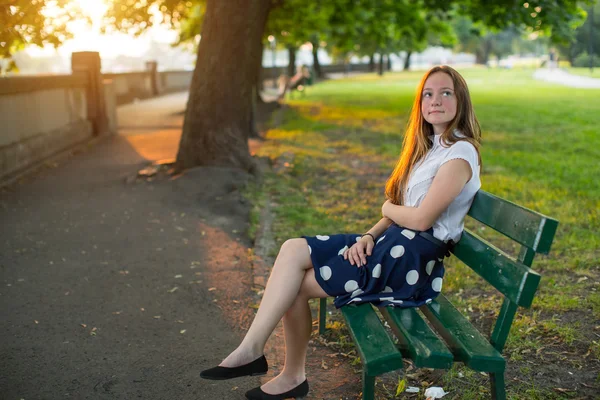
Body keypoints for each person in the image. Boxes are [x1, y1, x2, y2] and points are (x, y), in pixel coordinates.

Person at [200, 65, 482, 400]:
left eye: (445, 93)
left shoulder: (460, 152)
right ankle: (253, 348)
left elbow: (419, 220)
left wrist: (386, 209)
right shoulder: (431, 148)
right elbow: (402, 210)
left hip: (408, 262)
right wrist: (368, 236)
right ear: (420, 104)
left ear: (460, 100)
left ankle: (288, 375)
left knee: (295, 287)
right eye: (428, 94)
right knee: (293, 249)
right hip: (391, 246)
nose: (435, 101)